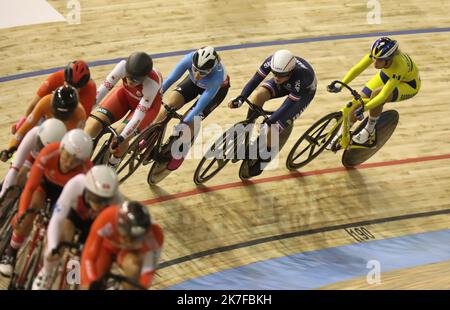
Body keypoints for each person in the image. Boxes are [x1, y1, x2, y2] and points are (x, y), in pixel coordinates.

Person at [0, 129, 93, 277]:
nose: (69, 163)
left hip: (66, 195)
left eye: (75, 161)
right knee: (30, 211)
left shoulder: (87, 171)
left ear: (82, 161)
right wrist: (22, 213)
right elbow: (30, 187)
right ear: (61, 148)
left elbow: (79, 207)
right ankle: (11, 252)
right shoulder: (49, 152)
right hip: (44, 185)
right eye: (67, 156)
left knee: (63, 233)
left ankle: (45, 271)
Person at [32, 165, 123, 290]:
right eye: (95, 198)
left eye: (103, 201)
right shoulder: (77, 183)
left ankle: (72, 278)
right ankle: (46, 272)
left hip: (97, 225)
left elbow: (113, 241)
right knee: (61, 237)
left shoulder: (117, 201)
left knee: (87, 262)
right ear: (87, 189)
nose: (98, 205)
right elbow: (57, 219)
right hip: (73, 215)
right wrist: (53, 246)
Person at [229, 49, 316, 176]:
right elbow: (255, 80)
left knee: (274, 127)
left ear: (290, 71)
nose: (276, 77)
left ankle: (264, 160)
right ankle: (247, 133)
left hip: (303, 94)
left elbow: (288, 105)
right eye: (274, 73)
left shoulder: (303, 77)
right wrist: (241, 98)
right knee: (259, 95)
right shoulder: (272, 61)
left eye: (280, 75)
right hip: (286, 85)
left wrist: (269, 121)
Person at [327, 37, 420, 145]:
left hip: (408, 84)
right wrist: (341, 85)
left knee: (376, 94)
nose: (375, 62)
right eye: (374, 58)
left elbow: (383, 95)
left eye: (379, 60)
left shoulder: (400, 66)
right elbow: (357, 68)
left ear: (389, 59)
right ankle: (341, 134)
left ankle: (369, 130)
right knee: (358, 101)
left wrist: (364, 108)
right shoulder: (378, 55)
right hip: (388, 75)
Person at [153, 46, 230, 171]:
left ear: (211, 69)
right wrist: (159, 94)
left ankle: (180, 152)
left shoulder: (217, 76)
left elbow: (200, 106)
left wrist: (185, 121)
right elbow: (171, 78)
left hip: (215, 91)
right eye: (196, 69)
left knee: (192, 120)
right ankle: (150, 136)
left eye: (203, 72)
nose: (198, 74)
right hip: (193, 84)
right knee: (169, 105)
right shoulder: (189, 58)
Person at [84, 52, 162, 168]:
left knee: (120, 137)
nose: (130, 82)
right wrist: (85, 110)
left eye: (135, 81)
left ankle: (111, 167)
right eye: (129, 77)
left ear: (144, 78)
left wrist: (122, 137)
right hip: (125, 95)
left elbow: (138, 115)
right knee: (92, 126)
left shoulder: (152, 83)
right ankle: (80, 162)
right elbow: (102, 91)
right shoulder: (122, 66)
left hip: (146, 109)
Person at [80, 201, 164, 290]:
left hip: (128, 253)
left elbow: (148, 271)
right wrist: (91, 281)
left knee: (133, 266)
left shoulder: (155, 236)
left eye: (134, 239)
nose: (127, 242)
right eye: (125, 236)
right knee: (87, 286)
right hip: (105, 247)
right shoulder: (107, 217)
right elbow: (88, 256)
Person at [0, 85, 86, 162]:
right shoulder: (46, 102)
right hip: (44, 126)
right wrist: (11, 150)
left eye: (64, 116)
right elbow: (24, 129)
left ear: (74, 111)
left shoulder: (80, 117)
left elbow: (72, 148)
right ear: (52, 105)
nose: (60, 118)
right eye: (57, 114)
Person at [11, 60, 95, 134]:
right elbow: (33, 106)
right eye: (68, 85)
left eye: (76, 88)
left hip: (69, 119)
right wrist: (21, 124)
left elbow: (78, 125)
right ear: (64, 79)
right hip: (48, 114)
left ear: (84, 86)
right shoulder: (56, 78)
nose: (70, 89)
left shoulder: (90, 90)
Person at [0, 119, 67, 200]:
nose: (41, 148)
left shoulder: (63, 149)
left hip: (49, 160)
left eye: (44, 147)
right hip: (32, 155)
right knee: (18, 174)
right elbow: (15, 167)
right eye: (40, 144)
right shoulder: (34, 133)